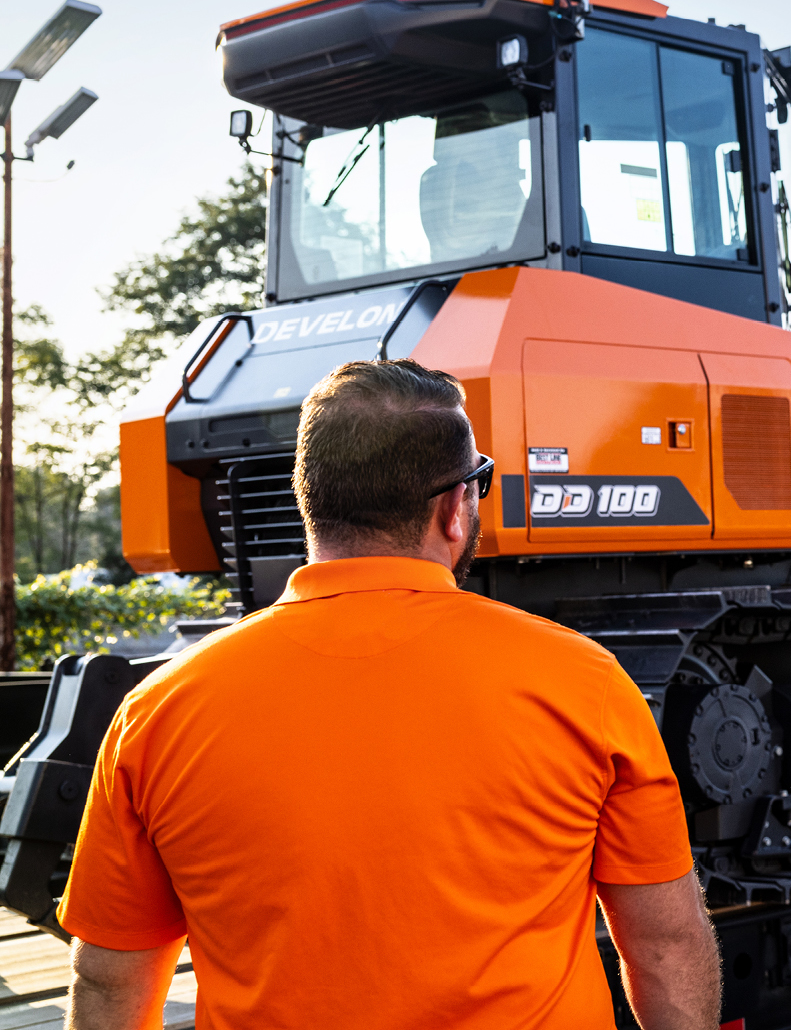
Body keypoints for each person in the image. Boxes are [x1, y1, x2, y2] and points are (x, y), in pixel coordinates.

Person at [57, 360, 719, 1030]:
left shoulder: (159, 708)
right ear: (453, 508)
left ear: (308, 502)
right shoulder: (584, 684)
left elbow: (110, 977)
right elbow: (664, 945)